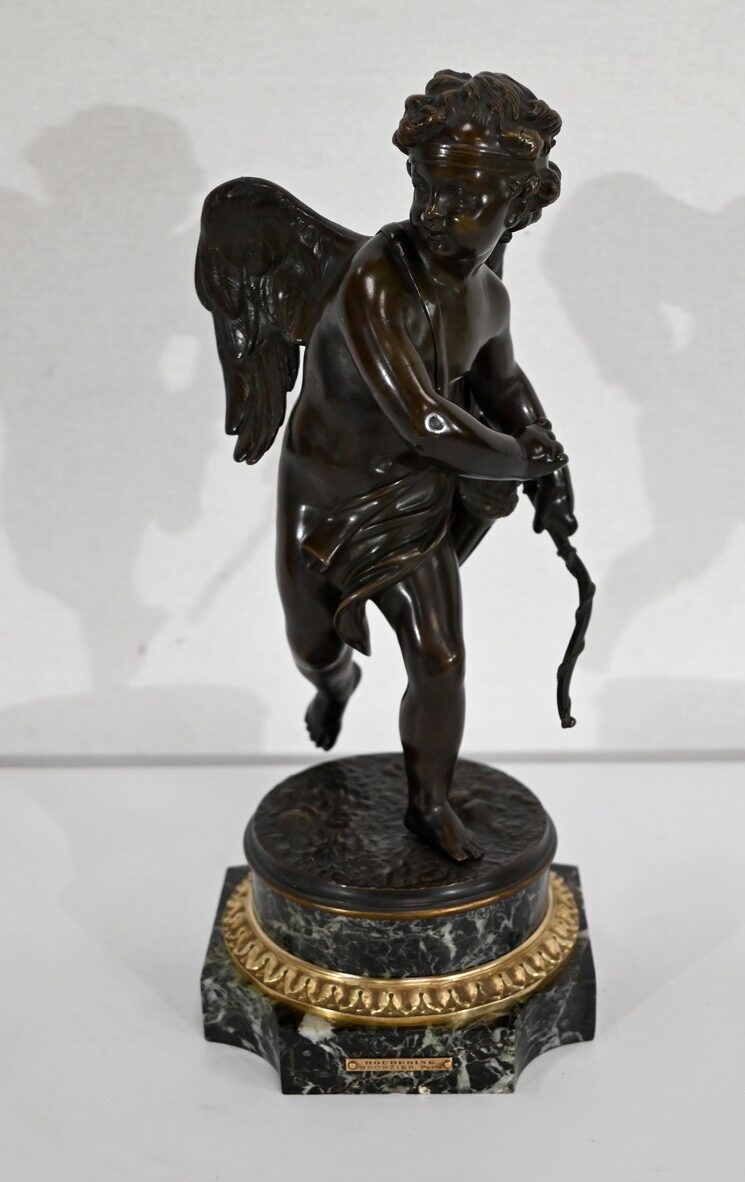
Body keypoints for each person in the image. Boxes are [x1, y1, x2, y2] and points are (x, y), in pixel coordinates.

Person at [198, 70, 578, 861]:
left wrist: (548, 457)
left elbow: (502, 385)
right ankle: (335, 688)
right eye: (428, 188)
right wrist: (519, 461)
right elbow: (426, 418)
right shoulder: (378, 276)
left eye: (466, 197)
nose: (436, 211)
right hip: (325, 493)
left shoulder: (490, 296)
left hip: (413, 498)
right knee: (312, 645)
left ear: (518, 207)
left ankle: (428, 802)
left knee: (439, 657)